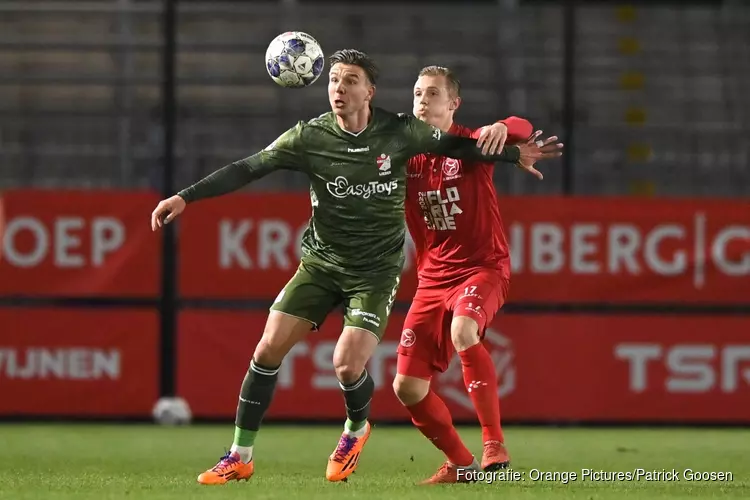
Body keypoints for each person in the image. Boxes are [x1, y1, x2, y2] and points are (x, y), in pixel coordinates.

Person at [150, 49, 561, 485]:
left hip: (418, 270)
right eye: (333, 81)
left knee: (367, 360)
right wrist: (185, 196)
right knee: (334, 368)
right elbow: (249, 166)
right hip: (353, 267)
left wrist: (510, 143)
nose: (339, 89)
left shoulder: (420, 136)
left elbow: (480, 142)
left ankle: (453, 439)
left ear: (371, 91)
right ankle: (241, 455)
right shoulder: (338, 138)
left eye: (350, 81)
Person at [393, 65, 562, 484]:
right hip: (432, 280)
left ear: (453, 105)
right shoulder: (403, 155)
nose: (422, 102)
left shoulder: (472, 143)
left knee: (464, 331)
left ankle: (494, 444)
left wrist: (503, 126)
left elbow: (522, 126)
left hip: (482, 268)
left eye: (433, 94)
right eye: (417, 94)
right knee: (406, 388)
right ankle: (461, 464)